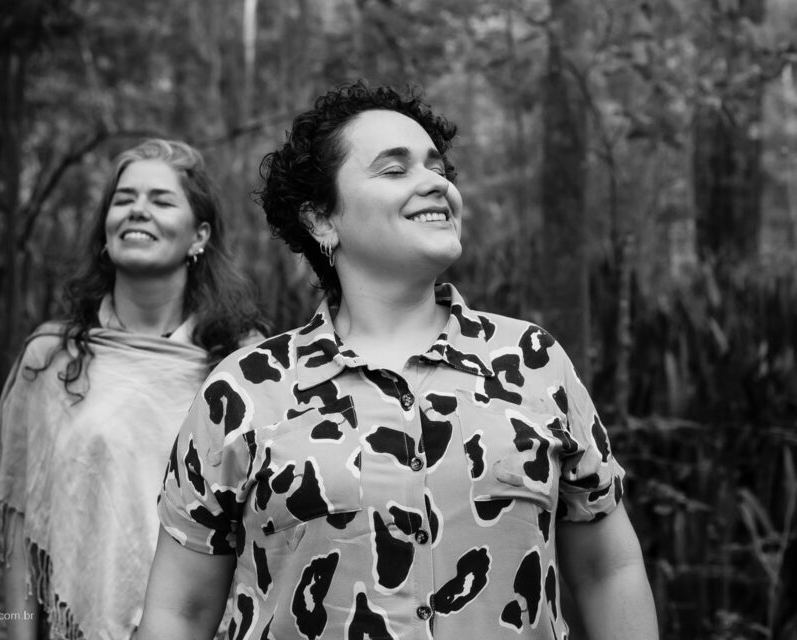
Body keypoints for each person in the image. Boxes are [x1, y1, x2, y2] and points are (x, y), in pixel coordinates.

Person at [136, 82, 658, 640]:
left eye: (438, 168)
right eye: (394, 169)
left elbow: (608, 570)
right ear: (321, 219)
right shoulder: (244, 390)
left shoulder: (533, 361)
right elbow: (181, 611)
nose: (436, 183)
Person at [0, 138, 264, 640]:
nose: (138, 209)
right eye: (124, 198)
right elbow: (23, 521)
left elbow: (265, 528)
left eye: (161, 200)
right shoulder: (50, 359)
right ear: (106, 229)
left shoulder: (244, 365)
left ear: (199, 235)